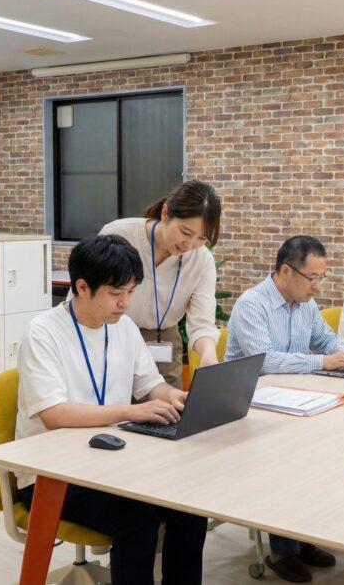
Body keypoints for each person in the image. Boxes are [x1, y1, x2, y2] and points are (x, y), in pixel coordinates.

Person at [15, 234, 207, 585]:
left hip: (113, 464)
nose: (125, 303)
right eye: (116, 293)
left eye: (131, 292)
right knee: (138, 521)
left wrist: (173, 397)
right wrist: (129, 412)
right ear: (82, 287)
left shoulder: (123, 327)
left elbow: (150, 385)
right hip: (54, 475)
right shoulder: (43, 333)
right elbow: (54, 415)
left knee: (190, 509)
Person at [226, 235, 344, 583]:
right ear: (286, 271)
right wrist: (322, 361)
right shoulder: (252, 304)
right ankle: (282, 551)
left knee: (316, 456)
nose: (317, 286)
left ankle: (302, 539)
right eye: (312, 277)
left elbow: (325, 339)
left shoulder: (305, 304)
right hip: (250, 407)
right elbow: (264, 361)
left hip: (292, 401)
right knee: (284, 460)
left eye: (321, 277)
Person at [99, 180, 222, 388]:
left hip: (163, 341)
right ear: (165, 213)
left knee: (169, 405)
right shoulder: (119, 235)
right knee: (113, 400)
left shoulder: (201, 260)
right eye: (185, 232)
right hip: (111, 335)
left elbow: (201, 323)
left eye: (202, 238)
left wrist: (208, 355)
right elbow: (84, 300)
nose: (190, 244)